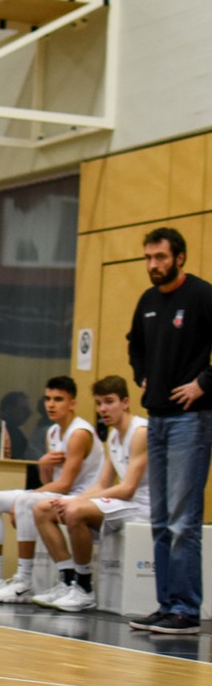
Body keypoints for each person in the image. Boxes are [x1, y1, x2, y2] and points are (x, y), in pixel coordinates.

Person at [126, 226, 212, 635]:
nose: (153, 265)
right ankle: (166, 604)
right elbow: (134, 345)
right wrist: (142, 374)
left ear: (179, 257)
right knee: (160, 520)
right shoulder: (146, 301)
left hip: (189, 420)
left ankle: (186, 610)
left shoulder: (201, 295)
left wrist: (203, 384)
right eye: (148, 258)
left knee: (182, 521)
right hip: (156, 418)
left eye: (160, 257)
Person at [0, 376, 103, 603]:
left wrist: (27, 496)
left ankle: (24, 581)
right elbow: (50, 479)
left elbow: (65, 485)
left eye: (59, 399)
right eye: (48, 399)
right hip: (60, 493)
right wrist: (43, 465)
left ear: (72, 403)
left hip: (80, 496)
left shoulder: (79, 433)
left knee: (24, 501)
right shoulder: (52, 432)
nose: (51, 405)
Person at [31, 375, 149, 613]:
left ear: (125, 402)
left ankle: (84, 588)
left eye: (109, 402)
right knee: (42, 508)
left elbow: (128, 488)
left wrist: (77, 502)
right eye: (98, 403)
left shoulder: (140, 432)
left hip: (144, 507)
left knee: (74, 511)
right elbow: (101, 484)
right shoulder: (113, 436)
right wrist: (72, 499)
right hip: (124, 503)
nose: (102, 409)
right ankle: (67, 581)